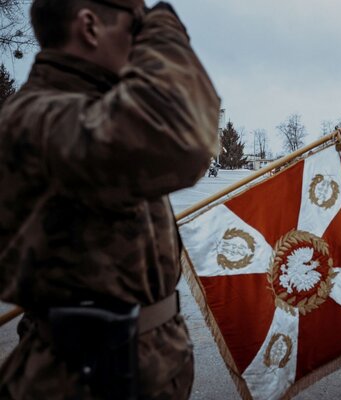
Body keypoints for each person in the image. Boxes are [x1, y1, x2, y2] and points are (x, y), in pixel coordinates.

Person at [0, 1, 220, 399]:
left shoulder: (96, 113)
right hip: (86, 378)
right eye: (136, 28)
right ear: (89, 27)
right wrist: (163, 24)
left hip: (124, 368)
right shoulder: (36, 116)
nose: (141, 42)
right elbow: (181, 138)